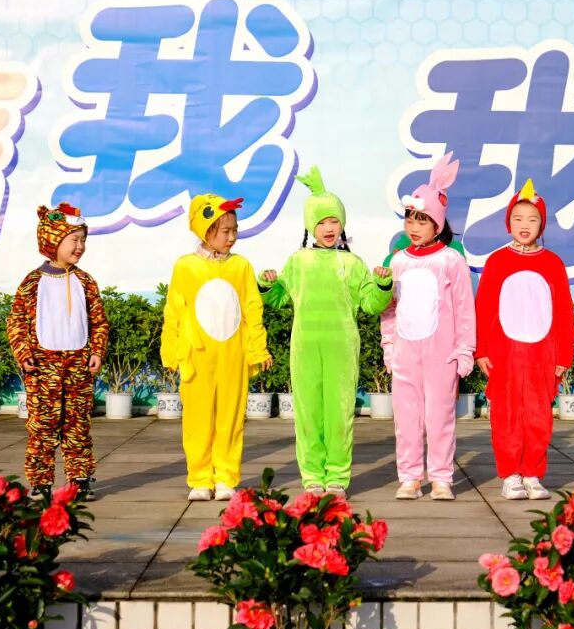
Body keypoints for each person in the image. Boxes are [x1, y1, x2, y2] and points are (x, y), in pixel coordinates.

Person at [259, 167, 392, 498]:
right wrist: (267, 284)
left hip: (341, 350)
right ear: (310, 226)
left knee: (339, 414)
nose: (329, 228)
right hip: (305, 349)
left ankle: (337, 478)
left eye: (334, 221)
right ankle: (312, 478)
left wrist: (383, 285)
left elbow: (371, 304)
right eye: (322, 222)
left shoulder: (353, 264)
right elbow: (278, 299)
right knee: (308, 414)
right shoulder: (298, 262)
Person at [161, 194, 272, 502]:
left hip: (232, 356)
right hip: (196, 356)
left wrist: (257, 349)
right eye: (225, 231)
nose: (232, 237)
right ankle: (200, 478)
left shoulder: (241, 266)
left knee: (230, 419)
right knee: (197, 420)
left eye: (235, 230)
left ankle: (225, 477)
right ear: (205, 229)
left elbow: (252, 309)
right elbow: (174, 311)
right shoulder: (186, 267)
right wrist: (170, 350)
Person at [380, 153, 475, 501]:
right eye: (410, 219)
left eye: (422, 220)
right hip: (405, 353)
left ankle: (441, 477)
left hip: (441, 354)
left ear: (437, 224)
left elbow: (464, 308)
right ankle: (409, 477)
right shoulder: (398, 262)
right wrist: (389, 346)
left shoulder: (450, 260)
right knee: (406, 418)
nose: (414, 226)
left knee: (440, 416)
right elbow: (389, 310)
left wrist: (464, 349)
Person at [474, 180, 574, 501]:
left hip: (542, 354)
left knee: (538, 414)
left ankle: (532, 473)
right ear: (508, 223)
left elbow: (564, 313)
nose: (524, 225)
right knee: (506, 415)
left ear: (542, 225)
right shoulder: (497, 262)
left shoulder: (553, 263)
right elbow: (483, 308)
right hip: (504, 354)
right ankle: (511, 475)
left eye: (532, 219)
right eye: (517, 218)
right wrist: (481, 350)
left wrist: (564, 356)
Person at [7, 203, 108, 498]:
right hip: (42, 367)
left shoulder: (85, 282)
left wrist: (97, 351)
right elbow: (16, 322)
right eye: (73, 239)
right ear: (52, 239)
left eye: (83, 240)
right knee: (42, 427)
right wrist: (24, 353)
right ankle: (41, 482)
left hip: (78, 366)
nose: (80, 246)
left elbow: (99, 321)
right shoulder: (32, 283)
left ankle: (80, 479)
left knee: (78, 425)